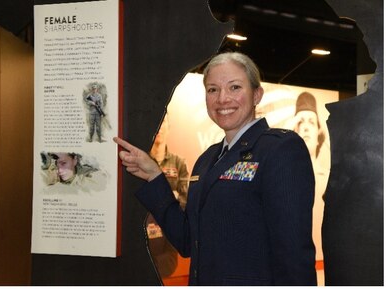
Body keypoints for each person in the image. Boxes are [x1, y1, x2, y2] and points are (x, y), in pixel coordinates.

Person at [114, 52, 317, 285]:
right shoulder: (207, 159)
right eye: (212, 89)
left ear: (256, 95)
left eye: (235, 87)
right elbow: (188, 240)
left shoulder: (280, 149)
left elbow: (293, 252)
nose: (222, 99)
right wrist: (154, 176)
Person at [146, 113, 190, 278]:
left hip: (169, 237)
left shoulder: (178, 163)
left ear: (169, 128)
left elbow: (186, 202)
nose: (159, 127)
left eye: (163, 122)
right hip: (144, 236)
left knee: (166, 270)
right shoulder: (139, 162)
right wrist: (170, 196)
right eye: (155, 122)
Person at [292, 91, 329, 264]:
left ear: (318, 133)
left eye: (311, 122)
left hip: (324, 262)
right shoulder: (283, 176)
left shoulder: (329, 178)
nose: (305, 127)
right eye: (300, 122)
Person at [40, 152, 109, 196]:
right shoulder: (50, 172)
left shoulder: (91, 174)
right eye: (56, 164)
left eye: (63, 163)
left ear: (75, 160)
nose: (59, 170)